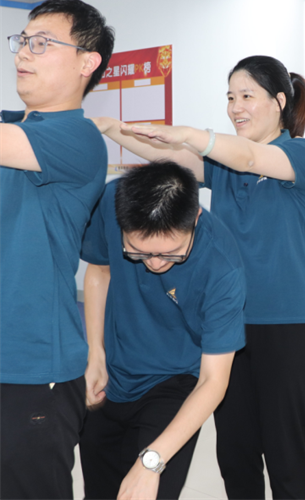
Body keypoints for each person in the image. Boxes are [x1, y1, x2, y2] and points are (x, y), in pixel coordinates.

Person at [93, 55, 305, 500]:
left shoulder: (299, 154)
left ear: (279, 101)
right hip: (226, 324)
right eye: (230, 97)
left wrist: (192, 134)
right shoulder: (223, 163)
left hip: (288, 326)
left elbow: (251, 156)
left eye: (247, 96)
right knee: (235, 453)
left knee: (285, 452)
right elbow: (167, 155)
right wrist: (111, 128)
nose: (236, 107)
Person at [0, 0, 114, 500]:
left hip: (32, 367)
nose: (24, 53)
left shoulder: (78, 137)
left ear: (87, 62)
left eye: (42, 44)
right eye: (23, 41)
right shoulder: (16, 126)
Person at [79, 160, 246, 500]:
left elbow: (213, 381)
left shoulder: (222, 267)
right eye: (139, 252)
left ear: (194, 218)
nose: (155, 263)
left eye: (171, 254)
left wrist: (151, 462)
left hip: (175, 380)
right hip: (114, 371)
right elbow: (100, 270)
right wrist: (95, 352)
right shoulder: (112, 200)